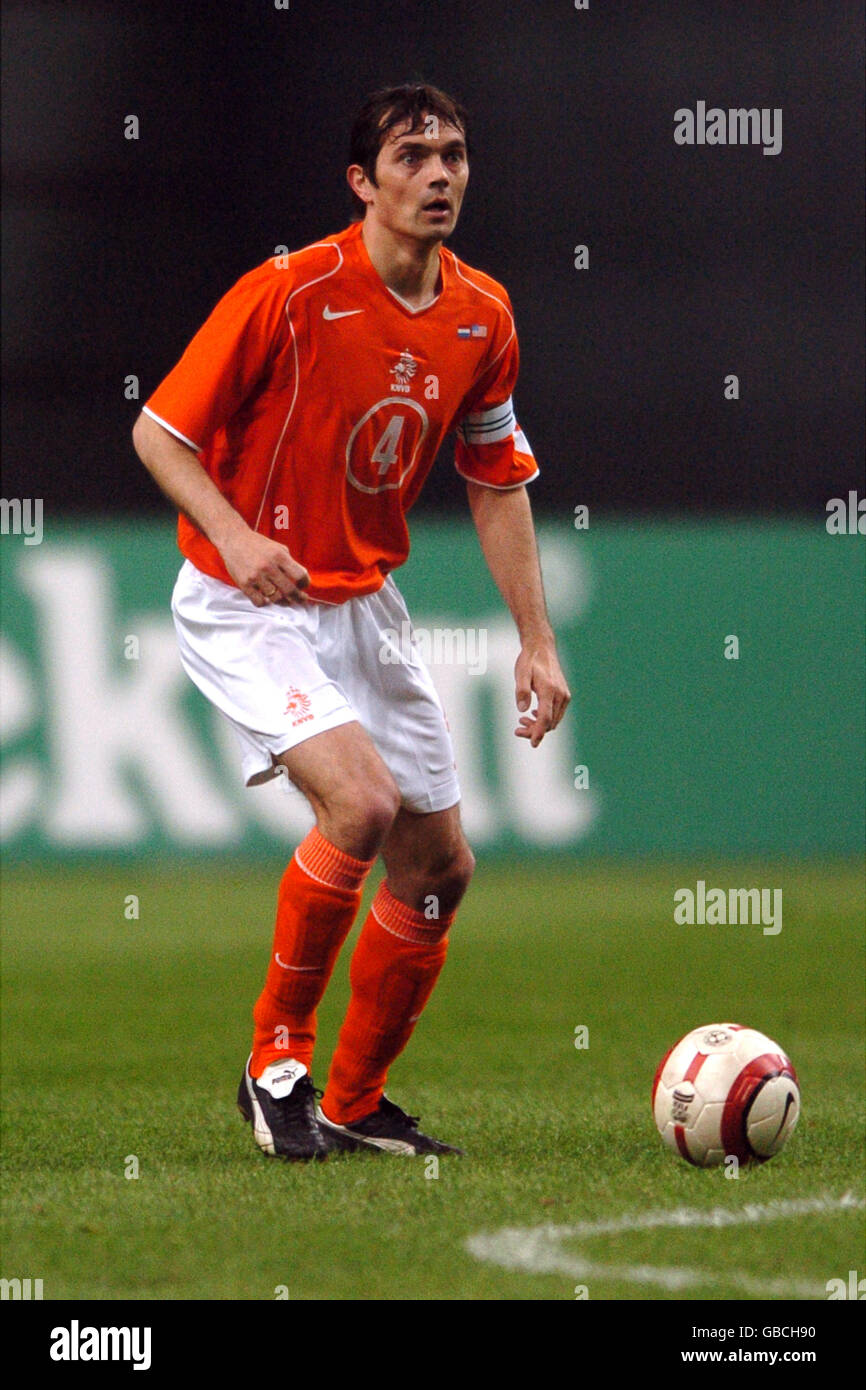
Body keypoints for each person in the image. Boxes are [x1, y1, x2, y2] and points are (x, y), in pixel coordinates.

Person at [132, 82, 571, 1161]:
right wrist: (236, 538)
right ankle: (274, 1060)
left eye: (454, 154)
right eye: (412, 156)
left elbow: (495, 476)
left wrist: (535, 637)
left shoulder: (484, 315)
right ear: (360, 183)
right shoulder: (288, 289)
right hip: (247, 600)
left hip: (362, 604)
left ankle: (356, 1099)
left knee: (438, 866)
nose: (438, 174)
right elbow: (158, 434)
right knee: (362, 803)